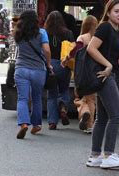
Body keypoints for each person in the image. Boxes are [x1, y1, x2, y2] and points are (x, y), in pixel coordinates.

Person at [85, 0, 119, 169]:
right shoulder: (104, 27)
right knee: (117, 114)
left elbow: (106, 51)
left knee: (102, 117)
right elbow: (91, 48)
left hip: (110, 75)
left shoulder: (117, 30)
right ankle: (108, 154)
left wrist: (118, 61)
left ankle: (95, 156)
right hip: (104, 76)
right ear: (108, 12)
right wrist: (109, 65)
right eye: (116, 11)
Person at [14, 10, 52, 139]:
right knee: (36, 98)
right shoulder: (41, 33)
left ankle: (23, 123)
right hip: (38, 70)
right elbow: (46, 50)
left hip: (21, 69)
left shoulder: (18, 32)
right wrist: (48, 63)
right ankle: (36, 125)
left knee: (22, 98)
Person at [44, 11, 75, 130]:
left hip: (50, 65)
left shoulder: (45, 33)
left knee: (52, 94)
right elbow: (73, 50)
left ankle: (52, 121)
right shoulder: (68, 33)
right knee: (64, 89)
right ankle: (63, 106)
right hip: (64, 65)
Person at [71, 15, 99, 132]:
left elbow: (75, 53)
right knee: (91, 99)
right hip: (95, 71)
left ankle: (84, 113)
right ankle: (90, 124)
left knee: (78, 97)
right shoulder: (97, 38)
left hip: (82, 72)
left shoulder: (82, 38)